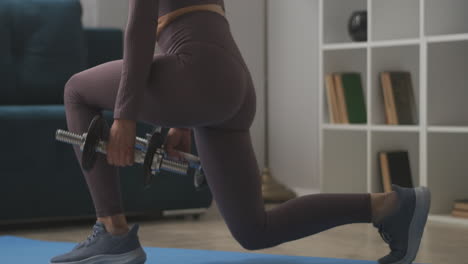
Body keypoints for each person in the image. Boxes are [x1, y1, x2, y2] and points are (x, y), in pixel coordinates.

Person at [50, 1, 431, 264]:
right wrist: (183, 121)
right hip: (231, 81)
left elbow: (140, 27)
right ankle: (391, 206)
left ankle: (113, 231)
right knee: (254, 230)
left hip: (197, 70)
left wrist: (125, 115)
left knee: (76, 91)